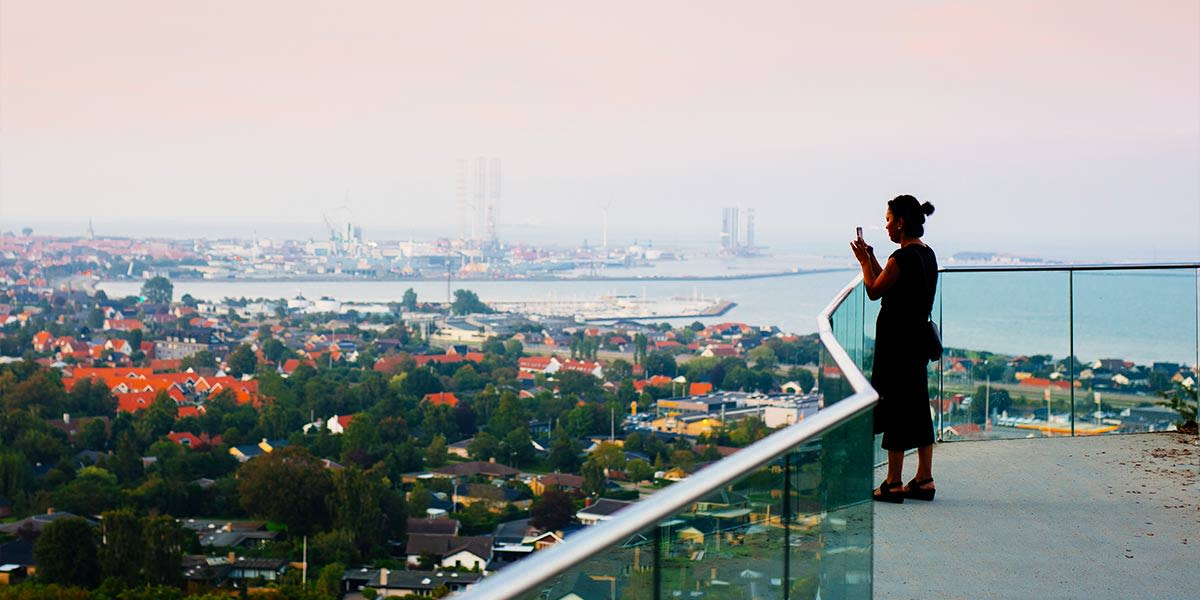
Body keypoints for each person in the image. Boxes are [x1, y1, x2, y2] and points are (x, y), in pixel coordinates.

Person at [850, 194, 938, 503]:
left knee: (896, 406)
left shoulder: (901, 259)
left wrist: (863, 262)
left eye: (888, 220)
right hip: (917, 340)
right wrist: (874, 259)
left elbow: (874, 290)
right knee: (917, 404)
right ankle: (924, 478)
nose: (886, 227)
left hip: (896, 342)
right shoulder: (927, 254)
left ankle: (893, 482)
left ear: (900, 222)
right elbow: (889, 281)